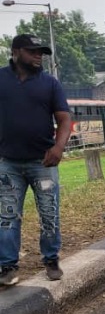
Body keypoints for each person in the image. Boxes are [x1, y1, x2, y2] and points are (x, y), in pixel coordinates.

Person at [0, 34, 72, 285]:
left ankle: (51, 259)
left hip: (43, 163)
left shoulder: (50, 84)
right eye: (33, 51)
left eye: (41, 52)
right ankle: (7, 267)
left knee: (49, 213)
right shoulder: (1, 79)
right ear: (16, 52)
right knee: (7, 215)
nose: (38, 56)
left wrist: (58, 148)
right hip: (8, 163)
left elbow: (64, 119)